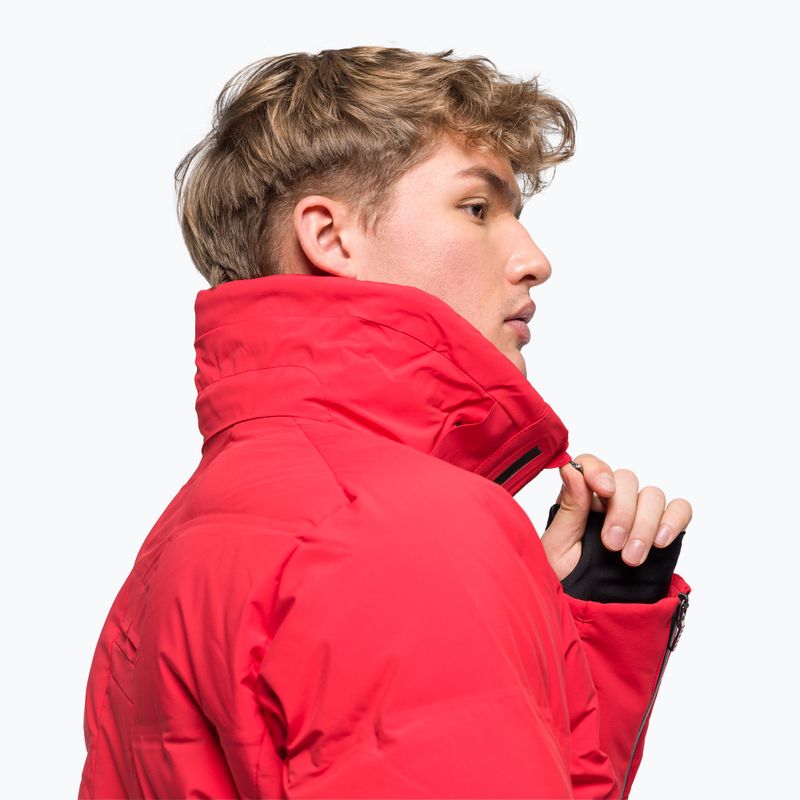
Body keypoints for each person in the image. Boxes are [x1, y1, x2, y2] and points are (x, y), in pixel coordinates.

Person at [79, 46, 693, 799]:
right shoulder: (402, 527)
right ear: (331, 237)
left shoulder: (190, 532)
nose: (534, 260)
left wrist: (576, 624)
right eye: (477, 208)